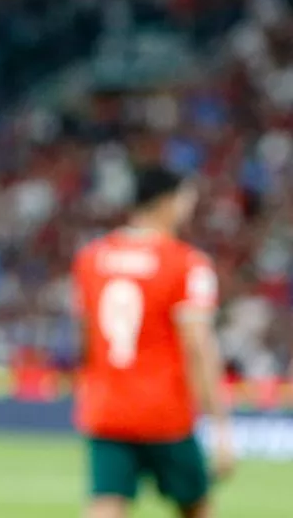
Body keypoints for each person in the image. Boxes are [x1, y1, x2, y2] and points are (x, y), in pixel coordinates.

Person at [72, 166, 234, 518]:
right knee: (195, 506)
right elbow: (199, 347)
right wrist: (221, 427)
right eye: (185, 198)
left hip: (107, 408)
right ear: (167, 202)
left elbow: (84, 336)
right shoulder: (187, 264)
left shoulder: (92, 258)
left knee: (106, 503)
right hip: (166, 412)